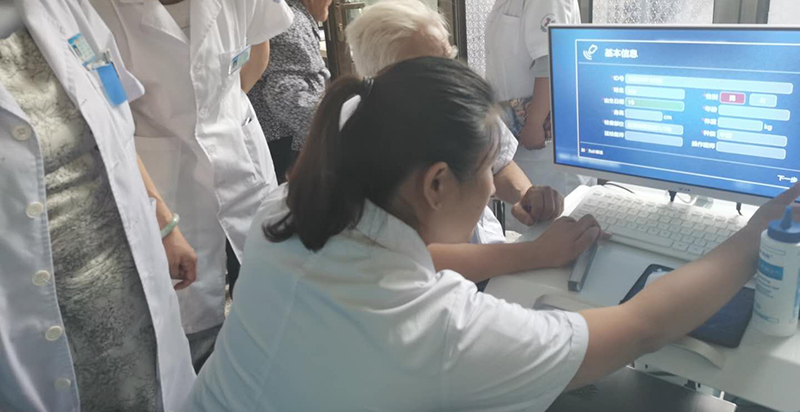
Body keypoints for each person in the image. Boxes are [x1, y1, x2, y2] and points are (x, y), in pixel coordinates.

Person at [153, 57, 798, 412]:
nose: (495, 186)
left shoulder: (288, 212)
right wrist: (760, 231)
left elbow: (403, 262)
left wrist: (527, 256)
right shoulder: (434, 329)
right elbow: (643, 326)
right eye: (490, 168)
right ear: (436, 183)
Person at [0, 1, 196, 412]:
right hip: (30, 317)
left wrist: (165, 224)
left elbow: (114, 128)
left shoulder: (62, 8)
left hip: (127, 285)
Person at [90, 0, 294, 369]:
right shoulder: (96, 9)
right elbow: (106, 115)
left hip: (240, 157)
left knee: (266, 294)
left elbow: (258, 47)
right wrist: (162, 222)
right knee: (192, 324)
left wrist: (219, 112)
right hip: (164, 175)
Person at [346, 0, 592, 285]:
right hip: (449, 282)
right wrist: (536, 253)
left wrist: (527, 196)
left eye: (448, 57)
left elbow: (499, 164)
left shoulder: (457, 101)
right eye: (433, 66)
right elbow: (423, 259)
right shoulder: (364, 135)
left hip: (493, 259)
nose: (451, 74)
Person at [485, 0, 591, 198]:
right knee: (526, 205)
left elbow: (551, 61)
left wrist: (534, 123)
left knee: (551, 204)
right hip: (515, 128)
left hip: (541, 135)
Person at [249, 0, 332, 183]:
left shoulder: (294, 18)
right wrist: (333, 126)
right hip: (285, 145)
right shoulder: (291, 23)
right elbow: (283, 96)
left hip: (281, 140)